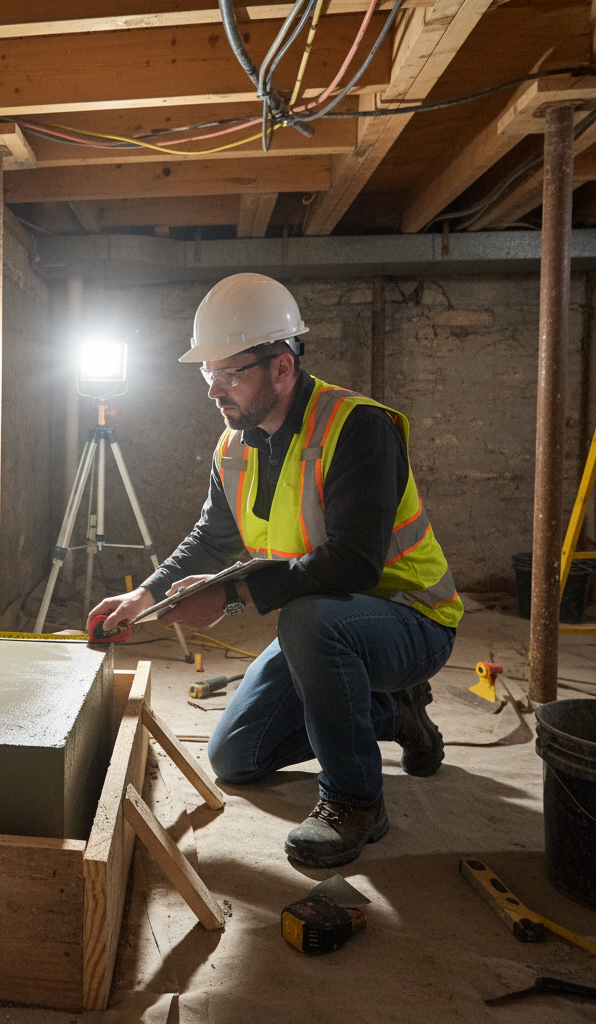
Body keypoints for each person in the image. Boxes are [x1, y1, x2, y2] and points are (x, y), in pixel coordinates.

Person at [87, 273, 462, 869]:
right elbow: (211, 539)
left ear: (282, 368)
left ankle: (355, 801)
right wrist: (146, 597)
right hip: (330, 624)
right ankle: (397, 713)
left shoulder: (358, 428)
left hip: (411, 620)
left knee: (307, 621)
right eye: (206, 374)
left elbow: (354, 562)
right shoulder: (234, 445)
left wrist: (230, 595)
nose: (214, 391)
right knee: (236, 756)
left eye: (230, 374)